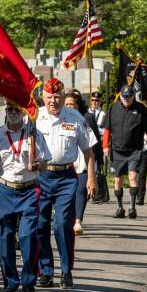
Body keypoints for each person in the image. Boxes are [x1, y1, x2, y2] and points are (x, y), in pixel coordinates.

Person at [0, 102, 49, 292]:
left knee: (28, 236)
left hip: (28, 190)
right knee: (5, 236)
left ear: (23, 112)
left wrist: (38, 164)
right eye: (10, 109)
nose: (14, 113)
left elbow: (45, 163)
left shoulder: (34, 134)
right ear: (5, 111)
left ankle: (28, 279)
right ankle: (10, 280)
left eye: (17, 109)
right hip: (4, 189)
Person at [35, 79, 97, 289]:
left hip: (66, 177)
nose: (54, 100)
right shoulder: (35, 117)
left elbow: (88, 151)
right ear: (43, 97)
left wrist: (91, 177)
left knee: (61, 224)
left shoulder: (75, 117)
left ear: (63, 96)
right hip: (41, 176)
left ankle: (66, 270)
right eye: (50, 97)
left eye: (57, 96)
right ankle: (45, 271)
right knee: (40, 225)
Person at [103, 85, 147, 219]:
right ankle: (120, 208)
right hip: (117, 150)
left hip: (134, 150)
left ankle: (132, 208)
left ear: (133, 96)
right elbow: (107, 129)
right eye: (124, 96)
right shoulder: (113, 108)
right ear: (120, 95)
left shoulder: (141, 109)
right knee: (118, 180)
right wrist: (105, 146)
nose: (127, 99)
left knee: (133, 177)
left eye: (129, 96)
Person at [65, 92, 92, 234]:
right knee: (68, 195)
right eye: (67, 104)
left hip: (82, 164)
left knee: (80, 191)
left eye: (72, 104)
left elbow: (92, 144)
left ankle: (77, 221)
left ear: (78, 105)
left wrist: (95, 165)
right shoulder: (58, 118)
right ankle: (67, 218)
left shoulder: (84, 119)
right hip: (65, 165)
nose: (69, 107)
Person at [88, 91, 109, 204]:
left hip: (98, 143)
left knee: (96, 167)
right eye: (93, 100)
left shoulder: (103, 114)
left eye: (97, 100)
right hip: (88, 143)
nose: (94, 102)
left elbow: (104, 129)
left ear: (100, 101)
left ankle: (97, 192)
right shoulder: (86, 113)